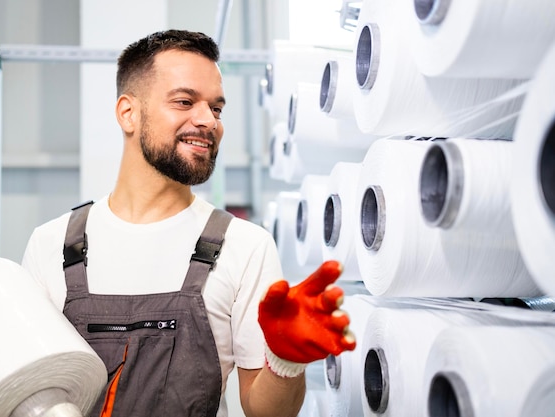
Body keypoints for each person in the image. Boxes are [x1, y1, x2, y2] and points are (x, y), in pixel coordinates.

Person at [21, 29, 355, 417]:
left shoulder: (244, 245)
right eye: (185, 101)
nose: (208, 121)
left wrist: (285, 362)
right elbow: (29, 395)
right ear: (128, 113)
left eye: (216, 108)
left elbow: (265, 412)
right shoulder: (51, 244)